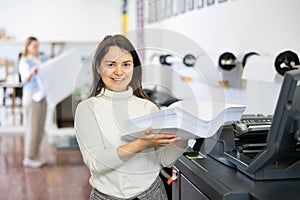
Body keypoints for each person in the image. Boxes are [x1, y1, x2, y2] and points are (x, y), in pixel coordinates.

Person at [74, 34, 188, 200]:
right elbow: (96, 163)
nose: (119, 71)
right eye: (111, 64)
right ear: (98, 67)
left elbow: (164, 160)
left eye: (126, 64)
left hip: (152, 194)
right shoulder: (87, 109)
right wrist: (140, 144)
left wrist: (184, 138)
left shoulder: (148, 107)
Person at [19, 36, 48, 168]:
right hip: (32, 95)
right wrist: (32, 72)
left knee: (40, 127)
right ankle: (29, 157)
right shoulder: (25, 61)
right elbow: (25, 79)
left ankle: (35, 155)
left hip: (43, 95)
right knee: (32, 126)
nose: (37, 49)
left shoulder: (42, 59)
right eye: (34, 46)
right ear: (28, 47)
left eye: (38, 46)